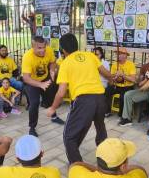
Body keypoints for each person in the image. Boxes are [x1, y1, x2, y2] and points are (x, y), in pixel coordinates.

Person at [47, 33, 113, 163]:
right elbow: (107, 74)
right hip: (100, 98)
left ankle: (78, 168)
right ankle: (107, 162)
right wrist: (112, 78)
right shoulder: (91, 56)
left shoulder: (66, 63)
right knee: (100, 130)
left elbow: (61, 93)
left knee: (69, 137)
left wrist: (53, 108)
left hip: (83, 101)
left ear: (63, 50)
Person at [22, 36, 64, 137]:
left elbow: (53, 62)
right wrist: (40, 85)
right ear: (33, 47)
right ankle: (32, 127)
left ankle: (54, 117)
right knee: (34, 103)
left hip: (45, 78)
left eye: (44, 47)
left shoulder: (48, 50)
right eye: (39, 48)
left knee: (51, 98)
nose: (43, 50)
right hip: (32, 81)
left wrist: (52, 71)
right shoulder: (27, 57)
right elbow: (26, 78)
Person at [105, 47, 136, 117]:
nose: (118, 55)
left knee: (123, 96)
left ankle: (121, 114)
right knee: (107, 91)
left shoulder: (131, 64)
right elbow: (112, 77)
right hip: (117, 86)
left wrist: (122, 75)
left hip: (127, 87)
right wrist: (115, 77)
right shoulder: (114, 64)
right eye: (117, 54)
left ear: (125, 55)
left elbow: (133, 79)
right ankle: (107, 111)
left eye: (121, 54)